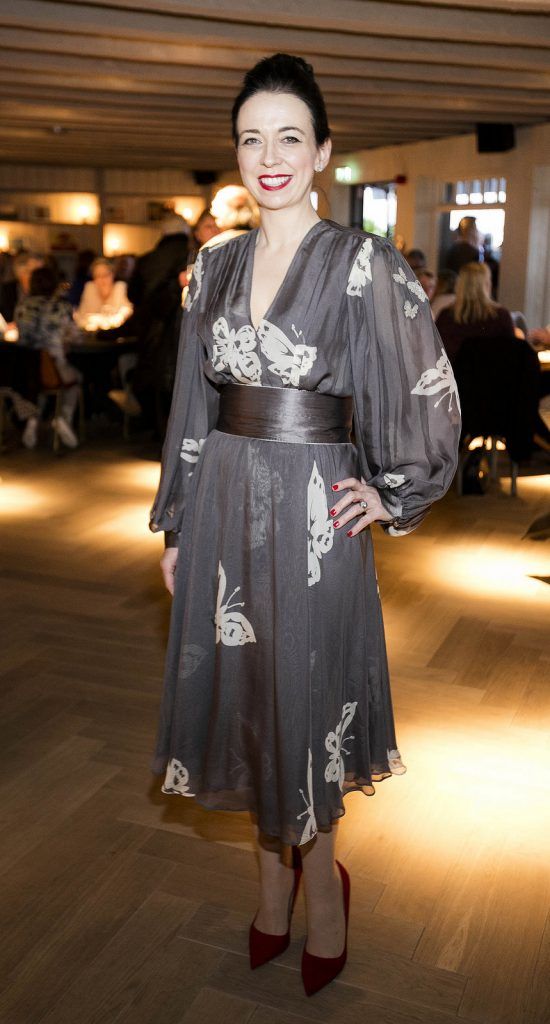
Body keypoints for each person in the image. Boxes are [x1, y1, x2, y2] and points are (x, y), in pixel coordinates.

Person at [150, 53, 460, 997]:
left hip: (318, 517)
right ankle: (268, 884)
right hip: (224, 512)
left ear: (322, 152)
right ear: (237, 156)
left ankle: (321, 883)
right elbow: (190, 406)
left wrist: (395, 490)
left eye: (289, 136)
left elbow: (427, 385)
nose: (269, 155)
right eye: (251, 138)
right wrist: (176, 522)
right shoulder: (213, 263)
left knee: (308, 705)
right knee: (248, 698)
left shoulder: (363, 264)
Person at [436, 262, 549, 455]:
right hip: (502, 403)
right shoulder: (501, 317)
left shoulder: (446, 318)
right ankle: (532, 438)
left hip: (457, 401)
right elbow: (515, 365)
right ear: (487, 285)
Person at [15, 265, 82, 448]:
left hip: (25, 369)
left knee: (38, 384)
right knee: (75, 379)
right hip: (53, 367)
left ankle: (32, 420)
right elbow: (77, 337)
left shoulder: (22, 306)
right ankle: (63, 418)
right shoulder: (61, 306)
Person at [75, 257, 132, 329]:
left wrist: (98, 320)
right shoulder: (90, 288)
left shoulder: (120, 288)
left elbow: (126, 313)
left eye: (105, 275)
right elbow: (81, 317)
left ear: (112, 274)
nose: (102, 280)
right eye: (98, 276)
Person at [0, 251, 44, 324]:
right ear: (20, 272)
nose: (40, 277)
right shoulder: (7, 290)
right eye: (34, 273)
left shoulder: (45, 291)